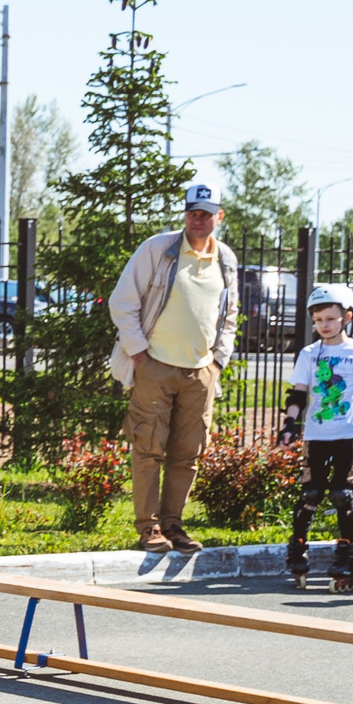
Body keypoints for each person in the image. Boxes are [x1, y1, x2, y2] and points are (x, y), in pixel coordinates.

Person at [107, 181, 241, 553]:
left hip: (200, 371)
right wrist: (138, 353)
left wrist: (217, 361)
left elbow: (229, 315)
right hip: (155, 365)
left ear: (219, 216)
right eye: (193, 213)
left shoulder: (226, 259)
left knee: (189, 453)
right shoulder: (158, 249)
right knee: (148, 448)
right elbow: (122, 302)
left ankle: (174, 526)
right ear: (185, 214)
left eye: (206, 213)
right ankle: (148, 528)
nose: (199, 220)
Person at [278, 286, 353, 591]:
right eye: (318, 320)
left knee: (342, 494)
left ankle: (348, 554)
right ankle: (297, 549)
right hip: (317, 434)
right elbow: (299, 392)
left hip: (348, 434)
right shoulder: (308, 353)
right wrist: (289, 423)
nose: (324, 325)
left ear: (347, 317)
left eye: (330, 318)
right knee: (311, 493)